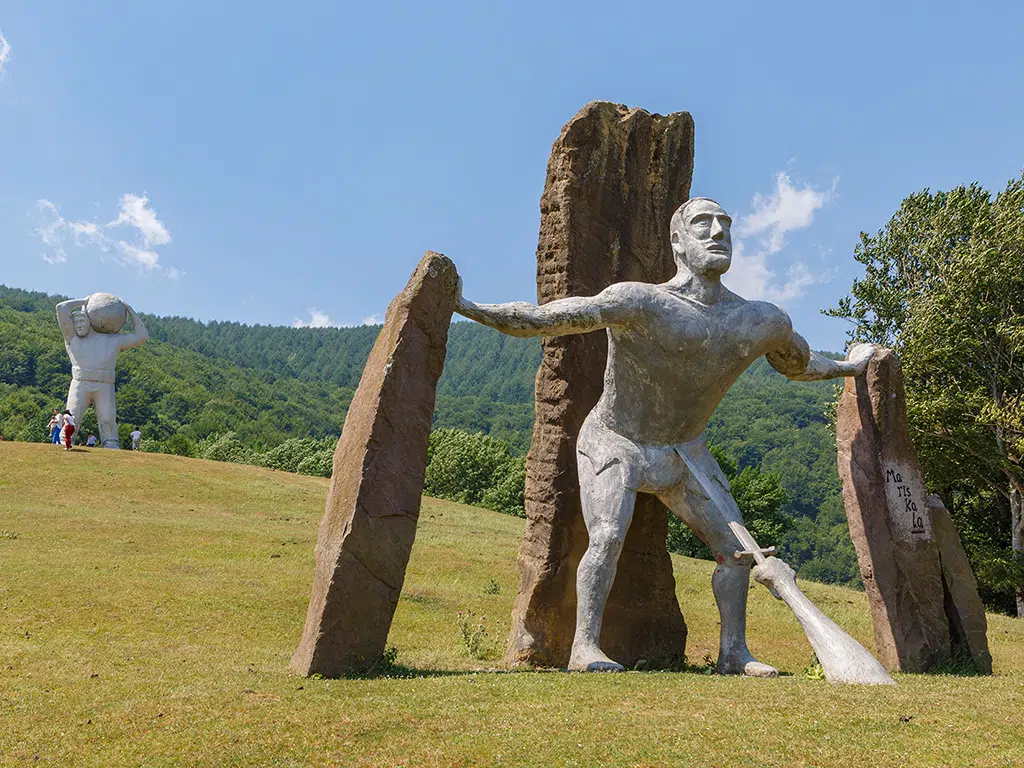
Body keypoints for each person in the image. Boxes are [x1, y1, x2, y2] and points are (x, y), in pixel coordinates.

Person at [458, 197, 876, 675]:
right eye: (703, 223)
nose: (718, 232)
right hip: (615, 440)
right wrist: (467, 307)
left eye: (725, 224)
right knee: (607, 538)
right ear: (677, 241)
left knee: (737, 553)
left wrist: (849, 366)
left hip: (685, 451)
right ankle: (584, 647)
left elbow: (799, 364)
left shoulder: (760, 321)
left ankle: (734, 653)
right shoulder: (640, 302)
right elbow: (548, 318)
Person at [55, 296, 149, 449]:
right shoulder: (72, 337)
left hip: (105, 385)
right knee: (71, 419)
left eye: (82, 320)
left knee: (108, 420)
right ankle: (64, 442)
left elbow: (142, 336)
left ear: (89, 319)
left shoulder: (114, 340)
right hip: (80, 382)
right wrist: (84, 302)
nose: (79, 325)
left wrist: (128, 309)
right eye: (76, 321)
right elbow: (61, 308)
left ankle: (111, 444)